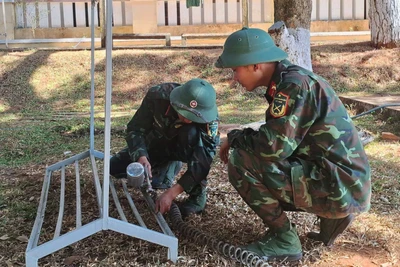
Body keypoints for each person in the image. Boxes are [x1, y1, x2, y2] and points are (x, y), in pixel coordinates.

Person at [215, 27, 371, 261]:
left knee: (241, 159)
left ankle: (284, 240)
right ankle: (333, 216)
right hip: (344, 181)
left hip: (340, 185)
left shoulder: (293, 86)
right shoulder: (289, 80)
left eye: (235, 70)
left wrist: (235, 137)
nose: (234, 78)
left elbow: (273, 147)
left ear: (255, 65)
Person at [110, 78, 219, 216]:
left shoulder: (210, 121)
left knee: (191, 134)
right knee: (114, 167)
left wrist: (171, 193)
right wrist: (141, 156)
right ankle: (165, 168)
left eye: (193, 117)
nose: (188, 120)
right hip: (157, 145)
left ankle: (198, 194)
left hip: (184, 149)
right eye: (185, 113)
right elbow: (135, 129)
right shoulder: (158, 96)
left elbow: (203, 162)